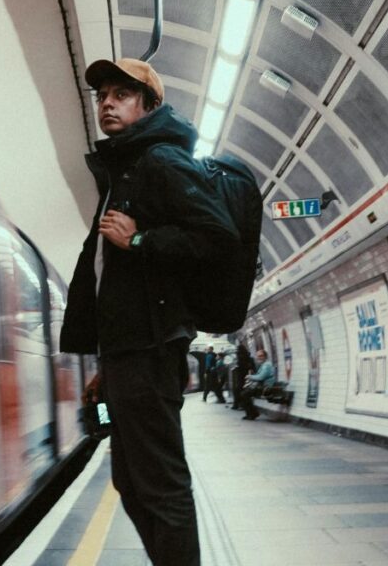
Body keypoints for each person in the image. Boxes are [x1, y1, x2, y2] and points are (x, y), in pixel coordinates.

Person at [60, 57, 239, 566]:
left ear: (149, 105)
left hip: (150, 346)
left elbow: (217, 236)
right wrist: (103, 364)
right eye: (101, 96)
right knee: (131, 482)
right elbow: (109, 279)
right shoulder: (125, 171)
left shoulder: (161, 159)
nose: (107, 103)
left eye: (121, 94)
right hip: (126, 351)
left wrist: (139, 238)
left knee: (159, 484)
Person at [238, 349, 275, 421]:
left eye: (261, 356)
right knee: (244, 393)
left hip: (265, 387)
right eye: (258, 356)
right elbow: (259, 376)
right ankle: (252, 413)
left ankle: (252, 413)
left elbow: (261, 377)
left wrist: (249, 376)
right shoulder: (264, 365)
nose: (259, 357)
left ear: (265, 356)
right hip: (262, 386)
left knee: (244, 394)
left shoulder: (266, 366)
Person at [230, 342, 253, 410]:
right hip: (246, 376)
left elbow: (239, 366)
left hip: (241, 376)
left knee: (238, 390)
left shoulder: (240, 357)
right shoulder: (248, 357)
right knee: (240, 390)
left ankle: (237, 405)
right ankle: (240, 405)